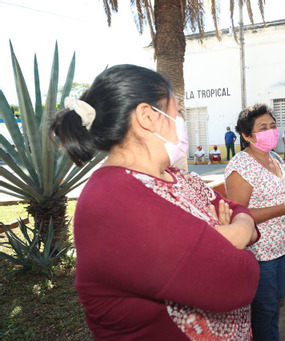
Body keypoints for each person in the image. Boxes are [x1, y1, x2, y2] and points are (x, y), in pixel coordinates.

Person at [50, 64, 260, 340]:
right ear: (147, 116)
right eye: (177, 114)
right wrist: (239, 233)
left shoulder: (178, 177)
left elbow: (238, 210)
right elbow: (239, 282)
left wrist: (237, 231)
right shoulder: (114, 199)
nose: (180, 123)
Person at [224, 104, 285, 341]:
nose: (270, 131)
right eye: (263, 127)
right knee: (265, 310)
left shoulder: (274, 157)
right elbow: (239, 213)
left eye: (273, 126)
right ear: (246, 135)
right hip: (260, 253)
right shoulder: (241, 166)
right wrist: (283, 209)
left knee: (276, 302)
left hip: (283, 246)